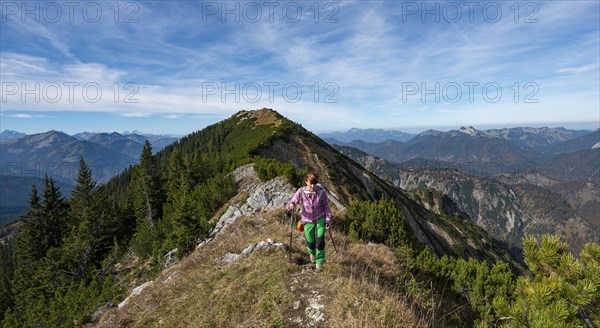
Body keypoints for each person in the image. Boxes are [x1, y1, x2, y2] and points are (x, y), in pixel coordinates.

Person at [286, 172, 332, 273]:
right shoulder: (301, 191)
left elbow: (327, 208)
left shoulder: (321, 192)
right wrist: (291, 205)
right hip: (307, 220)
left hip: (320, 217)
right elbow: (292, 201)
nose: (313, 186)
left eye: (314, 183)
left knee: (320, 242)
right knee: (310, 244)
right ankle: (312, 253)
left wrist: (328, 220)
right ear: (306, 182)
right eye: (310, 183)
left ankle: (319, 262)